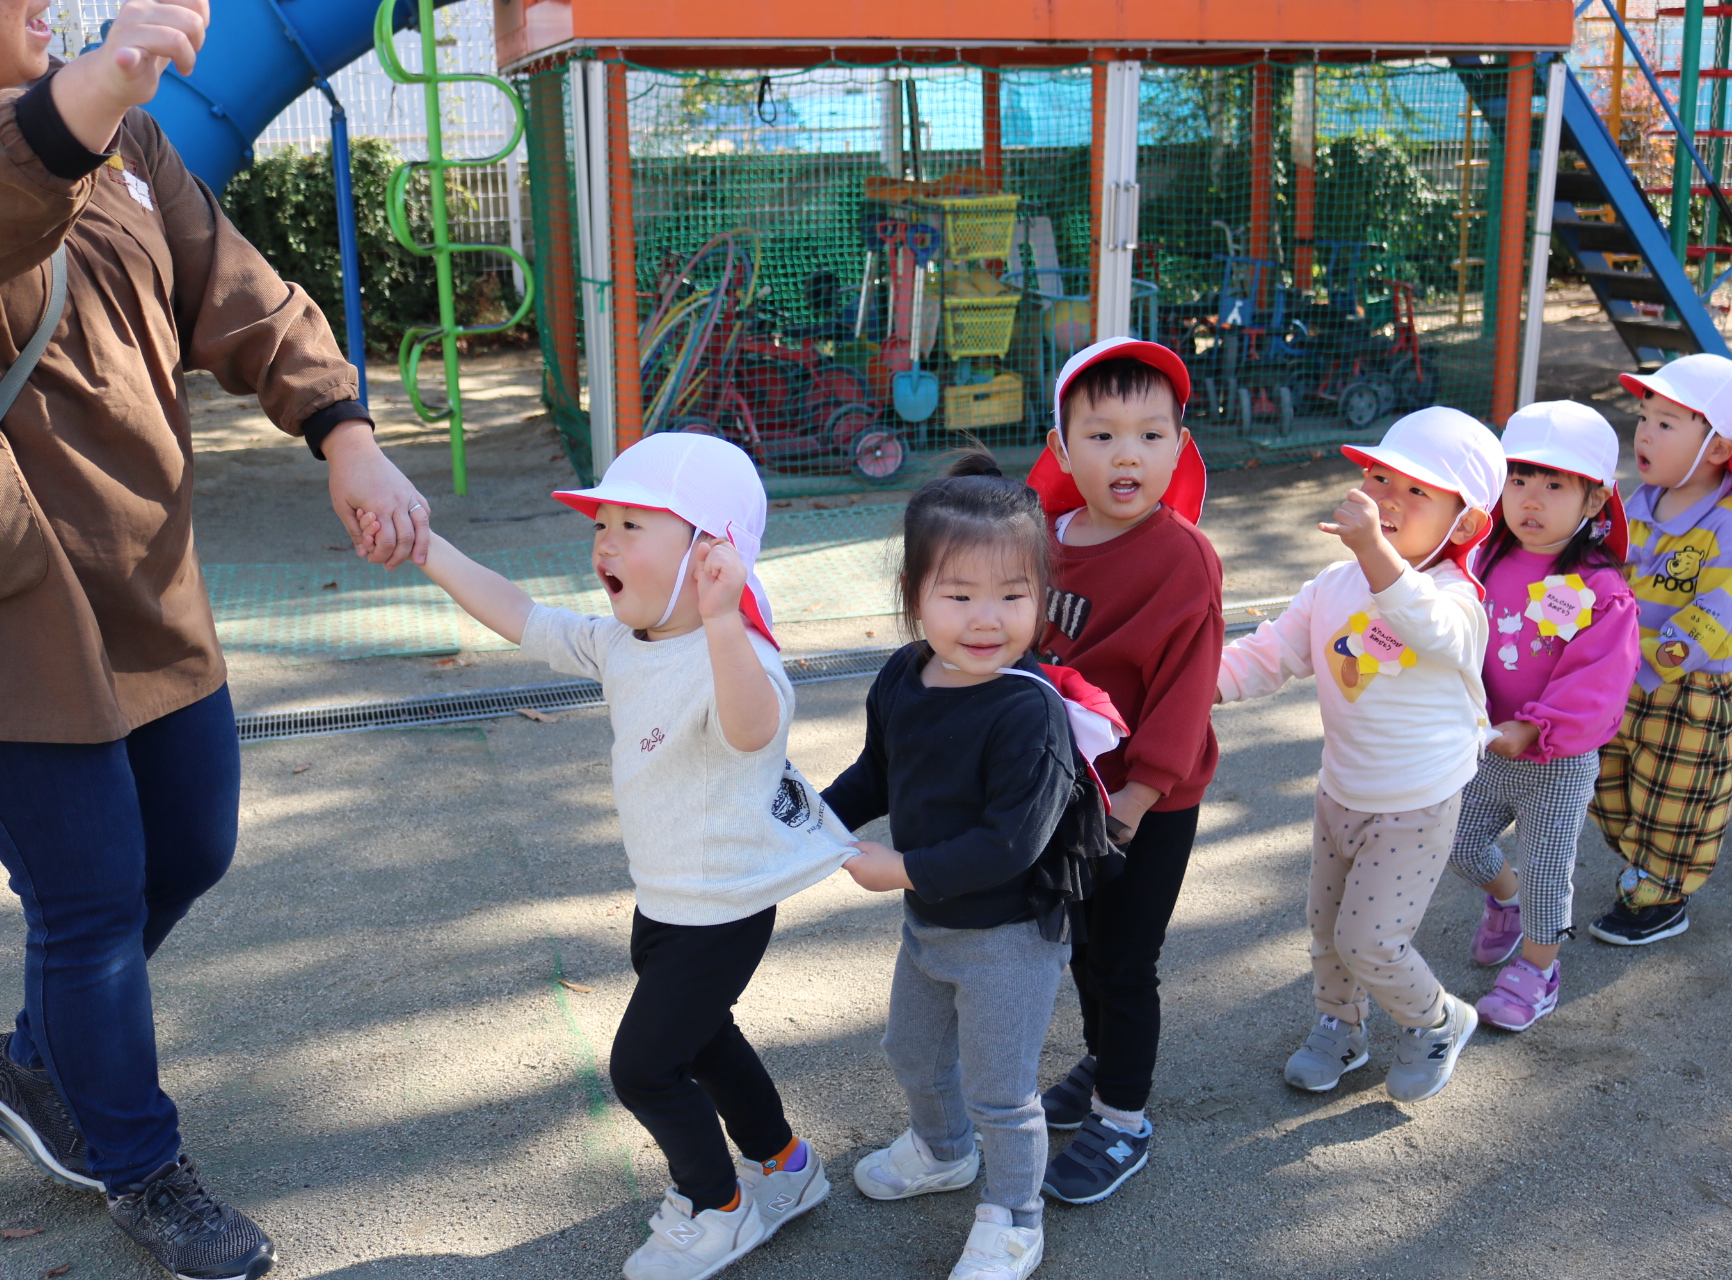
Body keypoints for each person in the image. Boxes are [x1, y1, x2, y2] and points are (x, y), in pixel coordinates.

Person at [0, 5, 430, 1278]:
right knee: (87, 898)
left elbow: (240, 292)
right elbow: (17, 195)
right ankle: (138, 1162)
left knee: (191, 841)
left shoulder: (134, 142)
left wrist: (344, 431)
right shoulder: (67, 127)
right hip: (19, 613)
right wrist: (106, 77)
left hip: (150, 577)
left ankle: (38, 1057)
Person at [397, 433, 851, 1280]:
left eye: (632, 526)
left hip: (723, 909)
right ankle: (786, 1167)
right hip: (667, 900)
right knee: (704, 1041)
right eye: (601, 524)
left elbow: (754, 730)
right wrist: (429, 550)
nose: (604, 543)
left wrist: (723, 618)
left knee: (644, 1069)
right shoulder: (620, 642)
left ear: (711, 553)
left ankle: (717, 1209)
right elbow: (521, 614)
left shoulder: (735, 652)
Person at [824, 454, 1086, 1280]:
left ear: (1042, 597)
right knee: (911, 1051)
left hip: (1011, 938)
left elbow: (1011, 844)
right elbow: (878, 772)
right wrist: (813, 821)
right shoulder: (905, 673)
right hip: (932, 926)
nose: (986, 620)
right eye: (959, 595)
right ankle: (942, 1152)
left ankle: (1015, 1218)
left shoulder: (1028, 711)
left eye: (1013, 595)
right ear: (914, 596)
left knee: (1002, 1093)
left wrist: (901, 867)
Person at [1217, 407, 1505, 1103]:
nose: (1388, 498)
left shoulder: (1458, 600)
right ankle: (1340, 1026)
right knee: (1326, 931)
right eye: (1379, 478)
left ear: (1465, 522)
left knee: (1371, 940)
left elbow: (1423, 626)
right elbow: (1269, 655)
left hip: (1415, 804)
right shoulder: (1332, 585)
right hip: (1340, 790)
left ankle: (1437, 1020)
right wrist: (1192, 689)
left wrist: (1375, 551)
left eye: (1417, 491)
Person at [1018, 338, 1223, 1204]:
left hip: (1148, 800)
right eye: (1100, 436)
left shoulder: (1183, 557)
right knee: (1082, 947)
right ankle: (1103, 1063)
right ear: (1062, 449)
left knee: (1127, 960)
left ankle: (1123, 1118)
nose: (1126, 454)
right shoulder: (1040, 541)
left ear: (1180, 447)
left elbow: (1187, 689)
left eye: (1149, 434)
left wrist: (1138, 797)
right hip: (1066, 793)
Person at [1446, 401, 1640, 1031]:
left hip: (1557, 759)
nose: (1531, 498)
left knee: (1548, 871)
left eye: (1555, 484)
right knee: (1454, 842)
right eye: (1519, 479)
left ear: (1595, 499)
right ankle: (1505, 905)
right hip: (1482, 744)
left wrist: (1535, 725)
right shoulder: (1480, 559)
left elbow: (1598, 681)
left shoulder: (1601, 589)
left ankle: (1539, 968)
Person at [1588, 354, 1732, 945]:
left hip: (1689, 689)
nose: (1644, 434)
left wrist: (1642, 656)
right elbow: (1605, 572)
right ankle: (1642, 866)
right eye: (1644, 418)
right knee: (1606, 787)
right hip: (1622, 675)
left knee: (1673, 801)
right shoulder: (1638, 504)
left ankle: (1661, 896)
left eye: (1666, 423)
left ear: (1719, 448)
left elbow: (1707, 620)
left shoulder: (1730, 526)